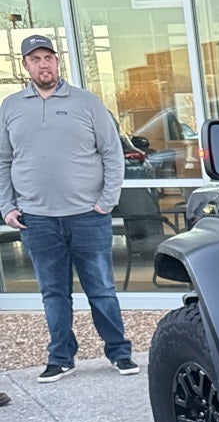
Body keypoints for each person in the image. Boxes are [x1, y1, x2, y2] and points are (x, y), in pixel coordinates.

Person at [0, 35, 137, 382]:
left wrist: (106, 202)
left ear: (57, 61)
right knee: (53, 293)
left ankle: (119, 352)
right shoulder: (11, 108)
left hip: (88, 216)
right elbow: (3, 160)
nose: (43, 64)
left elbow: (112, 154)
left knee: (101, 289)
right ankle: (61, 357)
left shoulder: (87, 103)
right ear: (25, 65)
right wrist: (6, 206)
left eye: (48, 57)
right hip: (37, 219)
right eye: (35, 59)